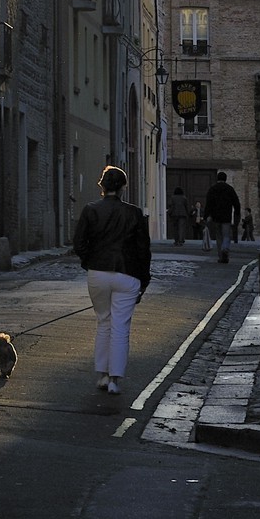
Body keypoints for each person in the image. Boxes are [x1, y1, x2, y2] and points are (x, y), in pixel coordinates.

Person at [72, 165, 151, 395]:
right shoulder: (134, 213)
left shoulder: (90, 210)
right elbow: (143, 250)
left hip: (98, 272)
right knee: (120, 327)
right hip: (127, 274)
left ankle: (102, 375)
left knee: (103, 322)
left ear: (102, 186)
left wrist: (89, 261)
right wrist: (144, 280)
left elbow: (79, 243)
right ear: (123, 187)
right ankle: (115, 379)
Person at [203, 171, 241, 263]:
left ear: (217, 179)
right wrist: (237, 213)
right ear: (225, 179)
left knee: (218, 236)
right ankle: (225, 249)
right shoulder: (230, 189)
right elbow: (236, 203)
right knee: (226, 235)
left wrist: (206, 215)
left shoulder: (212, 189)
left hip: (216, 216)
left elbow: (208, 204)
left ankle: (221, 255)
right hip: (226, 216)